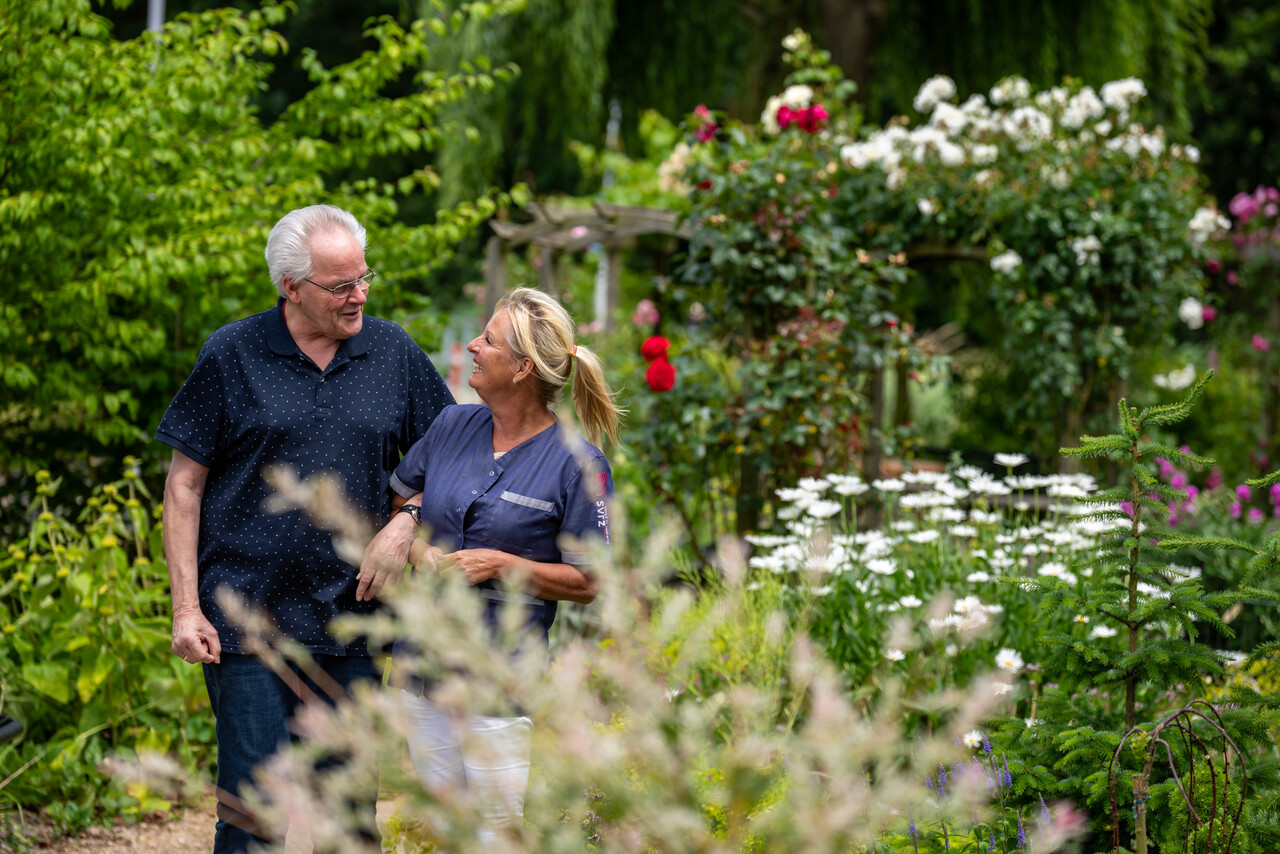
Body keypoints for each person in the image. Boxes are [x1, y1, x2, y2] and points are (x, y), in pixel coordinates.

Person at [156, 204, 454, 853]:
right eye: (341, 285)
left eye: (364, 277)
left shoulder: (394, 353)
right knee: (255, 818)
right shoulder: (232, 353)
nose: (360, 295)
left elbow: (450, 461)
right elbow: (183, 486)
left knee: (344, 820)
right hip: (244, 624)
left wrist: (404, 523)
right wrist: (185, 608)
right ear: (290, 288)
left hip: (354, 622)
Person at [363, 286, 621, 842]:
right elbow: (401, 502)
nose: (474, 347)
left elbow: (589, 582)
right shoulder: (452, 426)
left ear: (524, 367)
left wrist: (501, 564)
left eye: (488, 339)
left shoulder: (581, 465)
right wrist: (415, 541)